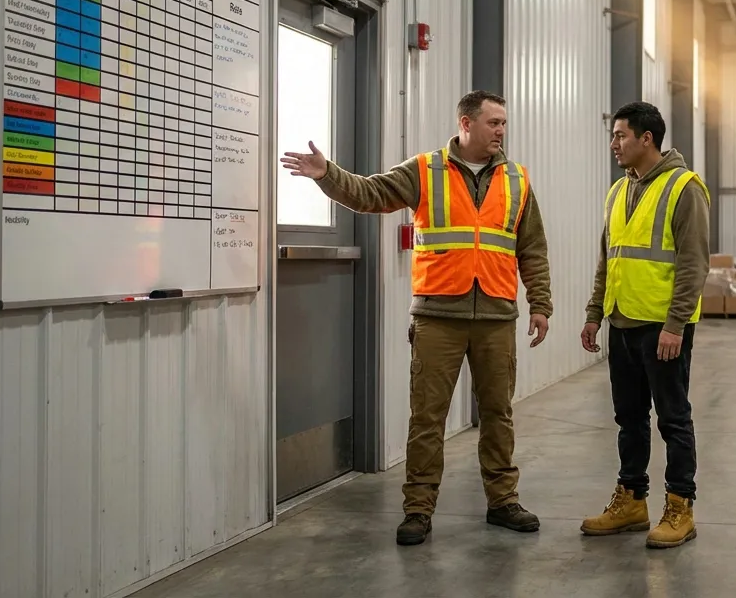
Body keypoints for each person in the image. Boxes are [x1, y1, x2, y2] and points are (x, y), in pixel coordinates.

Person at [281, 90, 551, 547]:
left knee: (498, 414)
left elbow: (532, 248)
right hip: (437, 317)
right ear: (466, 124)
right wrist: (328, 176)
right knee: (427, 418)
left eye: (504, 123)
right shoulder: (426, 170)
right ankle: (418, 509)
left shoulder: (518, 179)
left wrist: (540, 304)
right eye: (493, 123)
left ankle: (503, 501)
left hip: (496, 316)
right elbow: (371, 193)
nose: (501, 132)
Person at [579, 100, 710, 550]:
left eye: (620, 135)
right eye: (614, 135)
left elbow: (694, 264)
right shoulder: (618, 190)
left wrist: (675, 325)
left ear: (646, 138)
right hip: (622, 321)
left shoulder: (684, 188)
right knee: (629, 418)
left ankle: (680, 507)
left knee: (673, 419)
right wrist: (595, 313)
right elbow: (608, 258)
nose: (614, 143)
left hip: (662, 328)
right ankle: (632, 500)